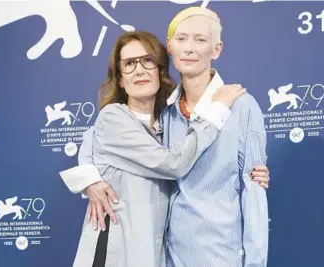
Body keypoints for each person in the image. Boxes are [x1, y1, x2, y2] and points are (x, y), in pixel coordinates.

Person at [71, 6, 270, 267]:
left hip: (219, 258)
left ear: (216, 49)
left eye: (200, 40)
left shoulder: (241, 107)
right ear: (170, 48)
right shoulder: (168, 114)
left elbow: (253, 200)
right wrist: (89, 177)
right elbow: (96, 138)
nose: (189, 48)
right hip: (158, 257)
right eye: (129, 64)